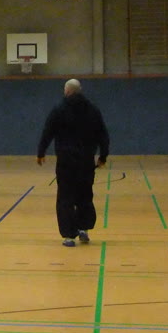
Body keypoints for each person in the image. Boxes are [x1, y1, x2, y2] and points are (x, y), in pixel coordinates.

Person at [37, 79, 110, 247]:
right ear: (80, 90)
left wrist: (41, 152)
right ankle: (84, 229)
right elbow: (103, 134)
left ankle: (69, 236)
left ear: (67, 91)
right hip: (86, 161)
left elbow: (48, 132)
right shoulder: (93, 110)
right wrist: (103, 156)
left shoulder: (59, 109)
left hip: (66, 161)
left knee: (65, 197)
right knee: (85, 195)